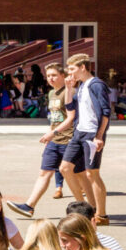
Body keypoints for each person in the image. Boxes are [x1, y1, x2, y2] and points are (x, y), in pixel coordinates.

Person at [11, 64, 75, 218]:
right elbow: (55, 118)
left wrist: (53, 133)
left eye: (54, 75)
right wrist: (50, 133)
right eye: (48, 75)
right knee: (44, 174)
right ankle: (29, 206)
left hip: (69, 140)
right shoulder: (52, 93)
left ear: (63, 76)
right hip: (54, 140)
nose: (50, 78)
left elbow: (71, 119)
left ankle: (87, 209)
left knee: (75, 176)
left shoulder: (69, 93)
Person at [61, 53, 112, 225]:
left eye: (72, 69)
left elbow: (106, 112)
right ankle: (85, 208)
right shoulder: (81, 86)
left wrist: (99, 136)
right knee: (65, 168)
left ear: (83, 67)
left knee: (92, 173)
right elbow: (69, 107)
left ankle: (102, 215)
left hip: (92, 134)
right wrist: (69, 88)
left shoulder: (97, 85)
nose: (70, 73)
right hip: (79, 133)